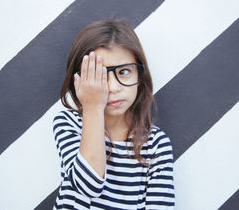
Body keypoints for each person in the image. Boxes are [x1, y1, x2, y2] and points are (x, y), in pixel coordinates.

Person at [52, 19, 175, 209]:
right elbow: (87, 185)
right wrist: (93, 107)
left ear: (140, 75)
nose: (113, 87)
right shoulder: (70, 123)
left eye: (124, 71)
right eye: (99, 75)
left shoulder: (156, 145)